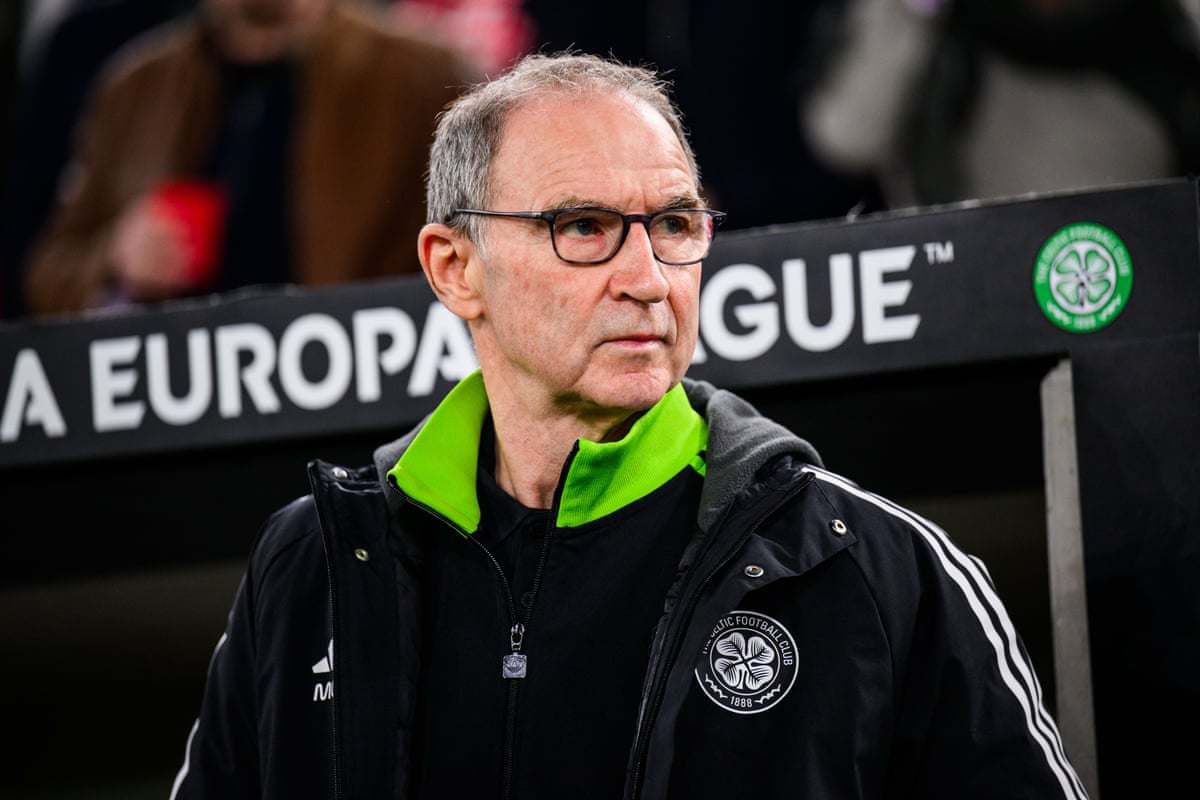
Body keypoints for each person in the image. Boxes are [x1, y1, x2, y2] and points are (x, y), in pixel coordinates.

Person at [170, 51, 1090, 799]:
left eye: (676, 224)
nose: (648, 278)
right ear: (456, 268)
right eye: (584, 227)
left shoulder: (872, 568)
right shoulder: (313, 569)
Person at [20, 0, 477, 317]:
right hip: (182, 415)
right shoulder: (135, 88)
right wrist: (117, 257)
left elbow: (488, 246)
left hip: (368, 407)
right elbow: (46, 273)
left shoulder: (423, 75)